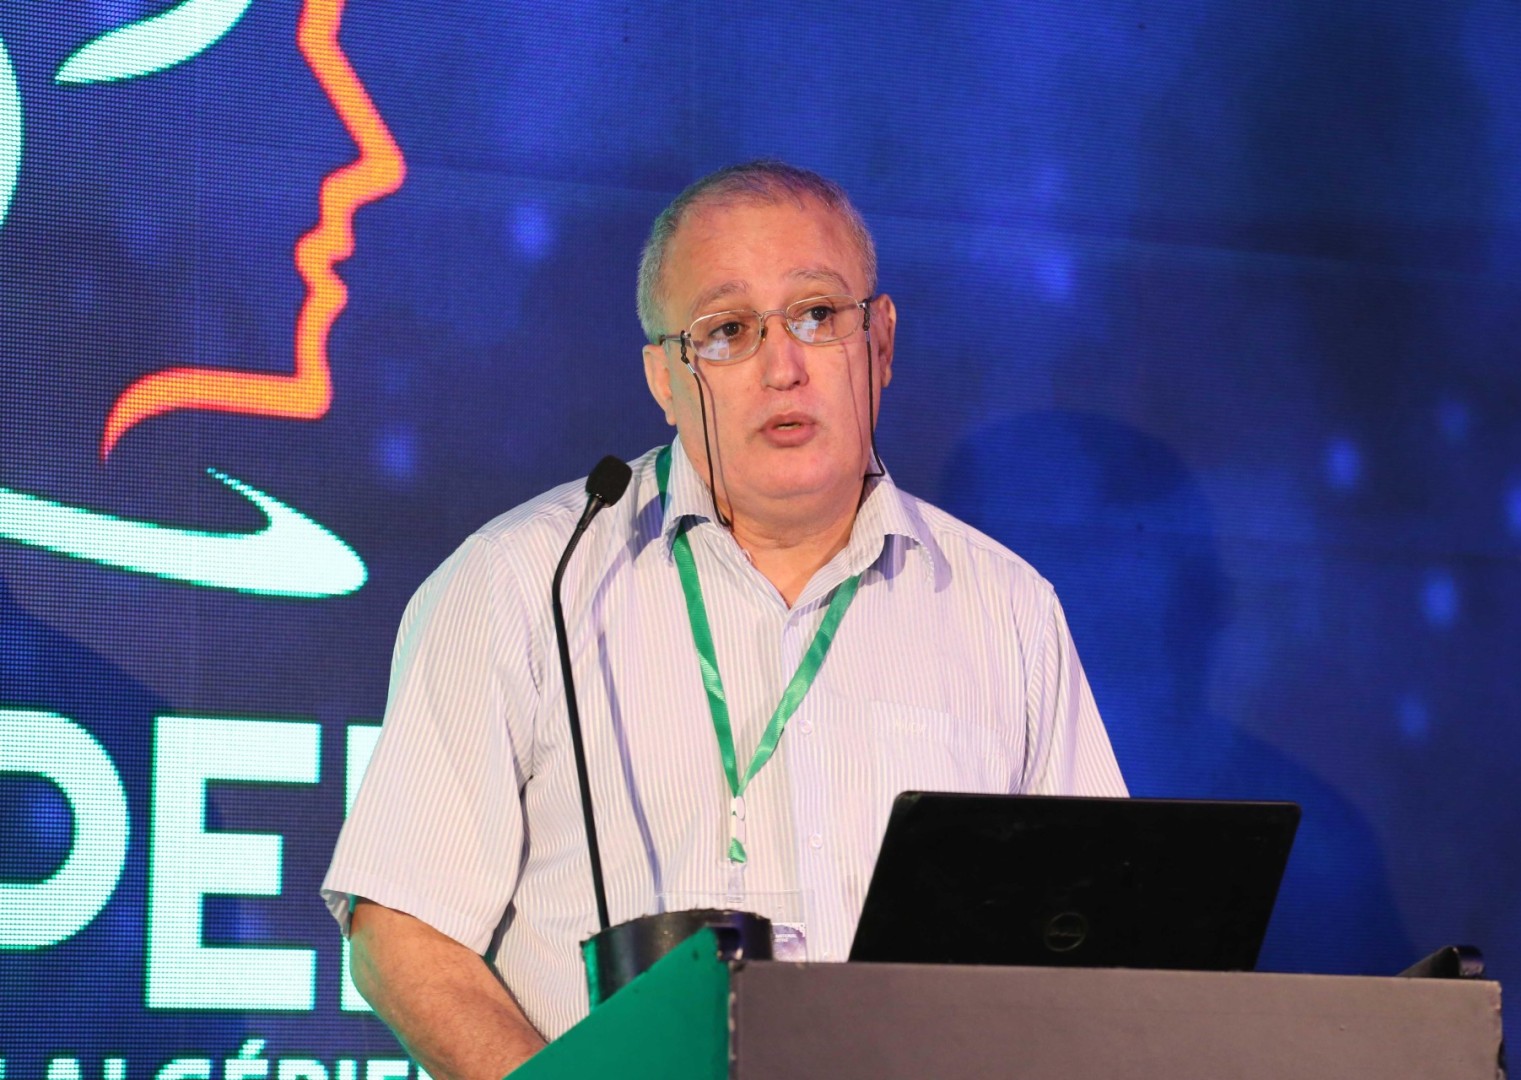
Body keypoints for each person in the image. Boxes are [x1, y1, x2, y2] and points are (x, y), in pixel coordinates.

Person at [321, 160, 1125, 1080]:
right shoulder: (523, 583)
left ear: (881, 341)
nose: (784, 368)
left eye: (817, 314)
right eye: (729, 332)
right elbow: (402, 928)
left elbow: (1101, 933)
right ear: (665, 377)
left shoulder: (1004, 608)